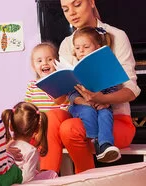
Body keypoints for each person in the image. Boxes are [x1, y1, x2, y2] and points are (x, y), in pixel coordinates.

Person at [39, 0, 141, 174]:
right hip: (80, 112)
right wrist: (55, 84)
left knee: (69, 128)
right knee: (52, 116)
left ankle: (85, 177)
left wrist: (103, 99)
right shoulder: (66, 43)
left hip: (113, 120)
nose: (71, 12)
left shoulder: (116, 35)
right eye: (65, 9)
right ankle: (46, 176)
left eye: (77, 4)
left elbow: (132, 89)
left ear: (91, 3)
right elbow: (60, 98)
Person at [68, 26, 120, 163]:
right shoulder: (74, 69)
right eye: (78, 48)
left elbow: (112, 89)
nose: (81, 51)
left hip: (100, 103)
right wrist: (83, 101)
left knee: (106, 113)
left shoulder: (104, 67)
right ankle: (94, 141)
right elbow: (71, 94)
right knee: (88, 111)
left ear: (97, 47)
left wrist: (106, 102)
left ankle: (105, 144)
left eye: (86, 46)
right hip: (80, 105)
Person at [2, 101, 58, 183]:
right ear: (37, 129)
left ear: (11, 127)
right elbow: (27, 179)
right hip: (22, 182)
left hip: (7, 181)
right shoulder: (31, 151)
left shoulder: (6, 146)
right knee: (51, 174)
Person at [25, 42, 69, 112]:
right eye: (39, 61)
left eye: (49, 59)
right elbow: (27, 108)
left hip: (58, 119)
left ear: (57, 62)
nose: (44, 63)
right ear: (33, 66)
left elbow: (66, 105)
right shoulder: (32, 85)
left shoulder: (61, 83)